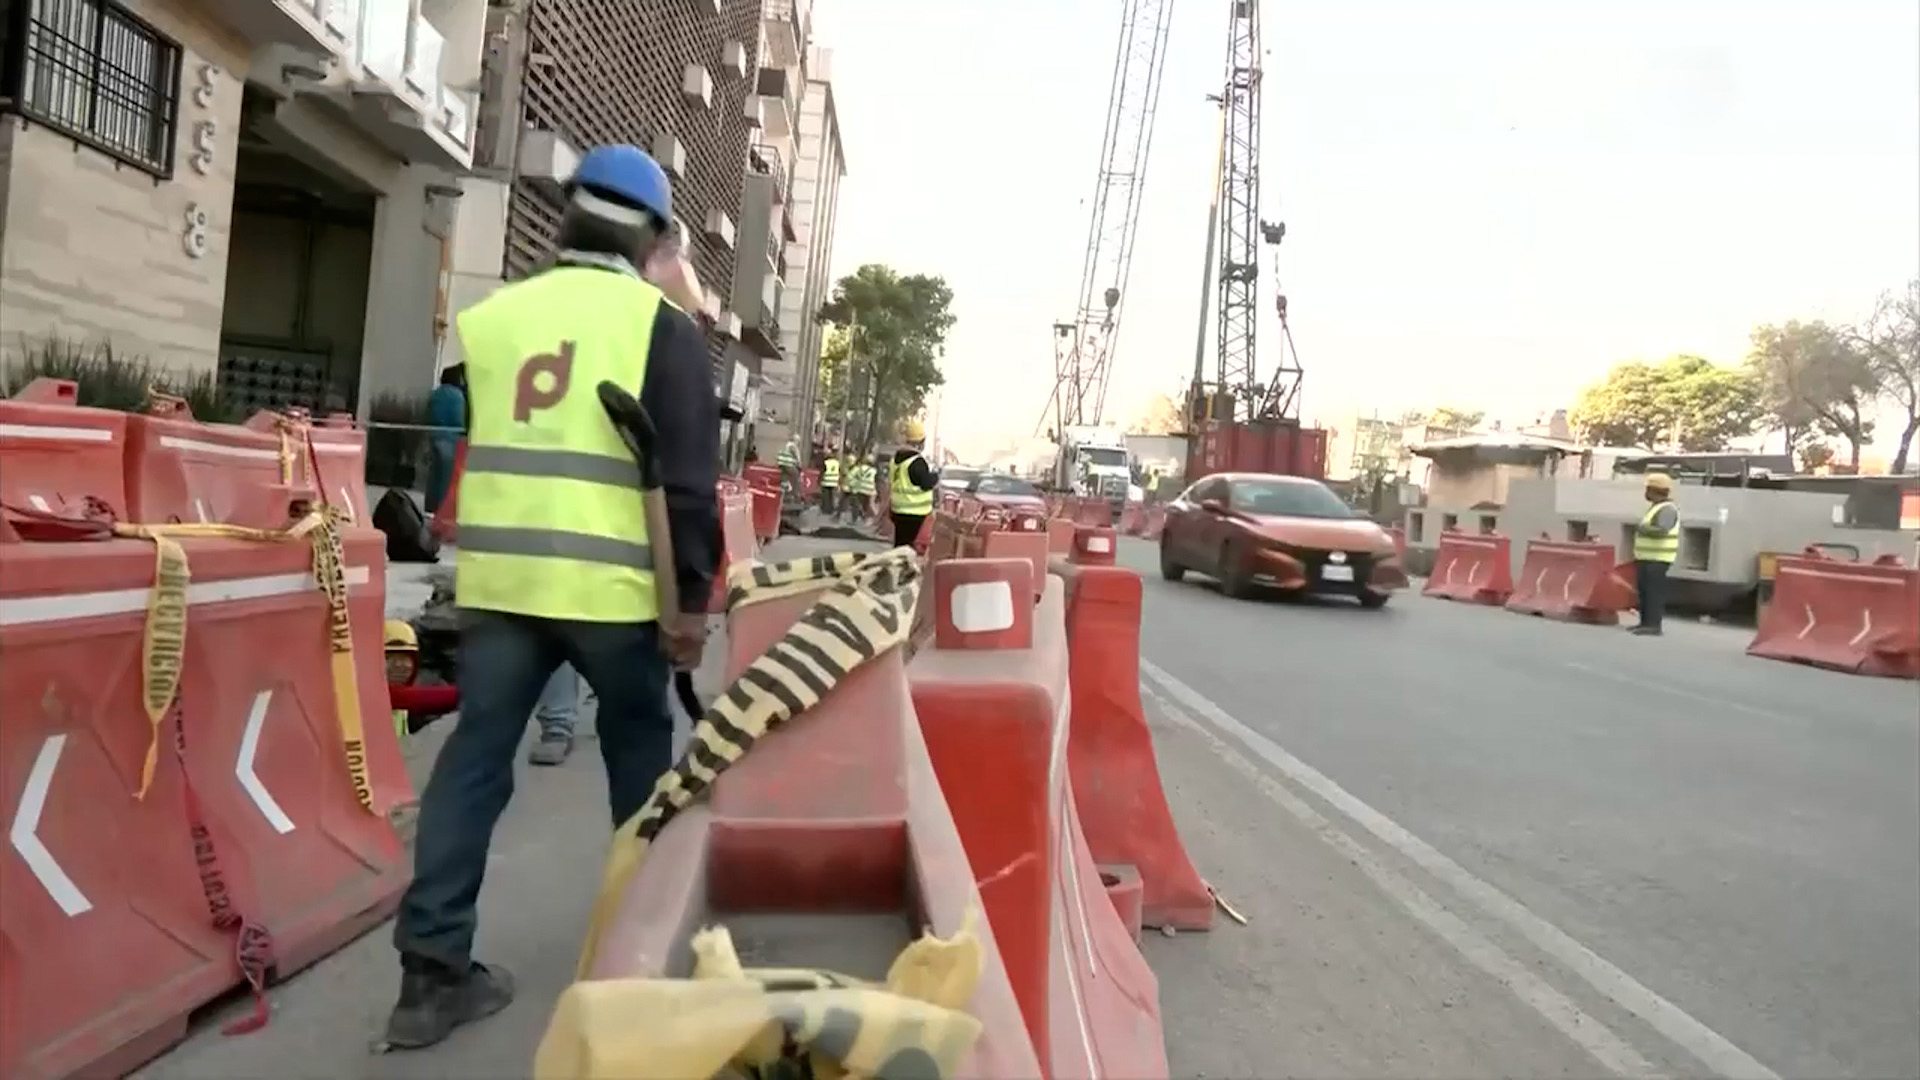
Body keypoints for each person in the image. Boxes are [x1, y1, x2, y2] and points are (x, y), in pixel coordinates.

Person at [383, 143, 720, 1051]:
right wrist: (691, 606)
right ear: (654, 235)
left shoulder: (496, 320)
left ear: (569, 214)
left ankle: (429, 978)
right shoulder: (661, 329)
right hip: (612, 594)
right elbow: (687, 484)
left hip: (500, 588)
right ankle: (642, 965)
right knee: (642, 764)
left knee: (475, 763)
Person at [1630, 472, 1680, 637]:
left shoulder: (1667, 509)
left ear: (1654, 490)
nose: (1645, 492)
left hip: (1658, 559)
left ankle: (1653, 625)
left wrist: (1642, 529)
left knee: (1653, 593)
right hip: (1648, 558)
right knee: (1645, 592)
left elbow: (1662, 531)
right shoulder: (1657, 507)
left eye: (1648, 489)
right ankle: (1645, 623)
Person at [888, 419, 939, 548]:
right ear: (921, 442)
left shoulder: (896, 460)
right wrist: (935, 477)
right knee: (908, 548)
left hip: (898, 510)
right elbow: (925, 483)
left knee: (900, 545)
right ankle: (903, 567)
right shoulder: (917, 462)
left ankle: (898, 565)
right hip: (915, 513)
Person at [424, 364, 467, 513]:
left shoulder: (435, 394)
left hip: (433, 436)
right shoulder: (457, 396)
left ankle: (429, 507)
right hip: (451, 439)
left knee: (434, 475)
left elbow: (427, 413)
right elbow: (458, 419)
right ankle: (441, 509)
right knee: (446, 478)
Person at [819, 447, 841, 516]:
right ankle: (831, 510)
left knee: (826, 496)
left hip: (826, 482)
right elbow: (839, 472)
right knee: (832, 496)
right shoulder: (837, 463)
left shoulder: (826, 462)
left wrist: (819, 480)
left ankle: (825, 510)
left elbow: (822, 472)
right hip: (834, 482)